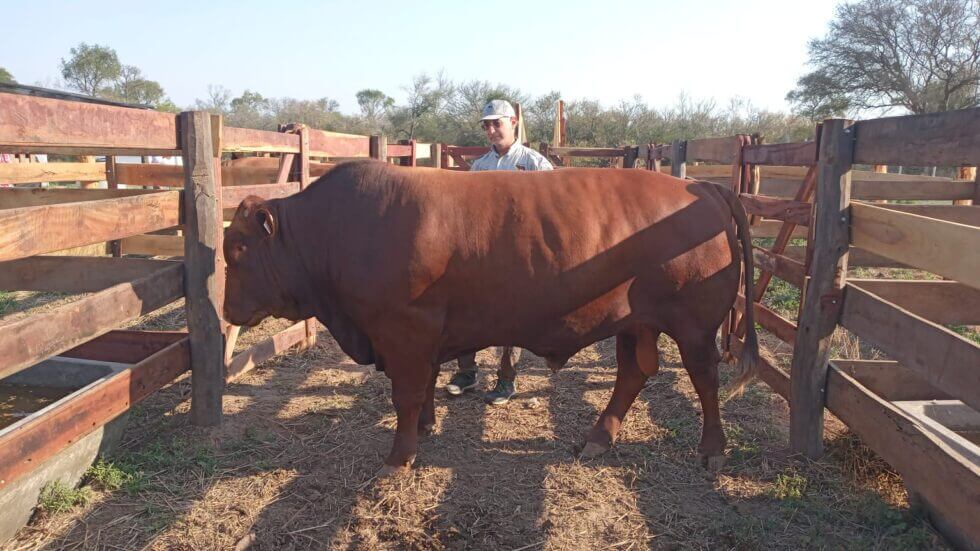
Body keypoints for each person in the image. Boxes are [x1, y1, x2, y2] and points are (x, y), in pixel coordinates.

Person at [444, 99, 554, 405]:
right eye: (486, 125)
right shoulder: (479, 167)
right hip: (481, 252)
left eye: (497, 123)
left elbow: (552, 209)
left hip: (518, 254)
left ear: (514, 122)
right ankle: (467, 372)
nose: (491, 130)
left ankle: (506, 379)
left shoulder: (535, 165)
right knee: (465, 308)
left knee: (511, 314)